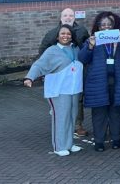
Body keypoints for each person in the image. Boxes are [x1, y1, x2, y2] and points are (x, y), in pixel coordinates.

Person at [24, 25, 84, 156]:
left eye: (68, 34)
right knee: (61, 118)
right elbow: (39, 65)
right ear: (57, 36)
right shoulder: (52, 50)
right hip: (58, 91)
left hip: (73, 90)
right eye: (62, 33)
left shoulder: (76, 49)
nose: (65, 36)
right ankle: (59, 146)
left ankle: (69, 144)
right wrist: (30, 77)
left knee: (71, 117)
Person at [79, 12, 120, 152]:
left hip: (117, 82)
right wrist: (90, 47)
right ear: (98, 27)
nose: (106, 27)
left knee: (116, 112)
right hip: (98, 83)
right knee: (99, 113)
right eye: (103, 25)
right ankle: (99, 141)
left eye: (109, 25)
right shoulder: (92, 41)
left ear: (113, 26)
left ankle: (116, 139)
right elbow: (83, 59)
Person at [37, 8, 90, 136]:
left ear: (74, 17)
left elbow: (87, 47)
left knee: (78, 98)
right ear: (61, 18)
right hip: (61, 72)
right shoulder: (52, 33)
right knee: (62, 98)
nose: (68, 17)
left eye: (71, 15)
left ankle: (78, 125)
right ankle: (62, 124)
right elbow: (43, 51)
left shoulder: (82, 31)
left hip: (77, 71)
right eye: (65, 15)